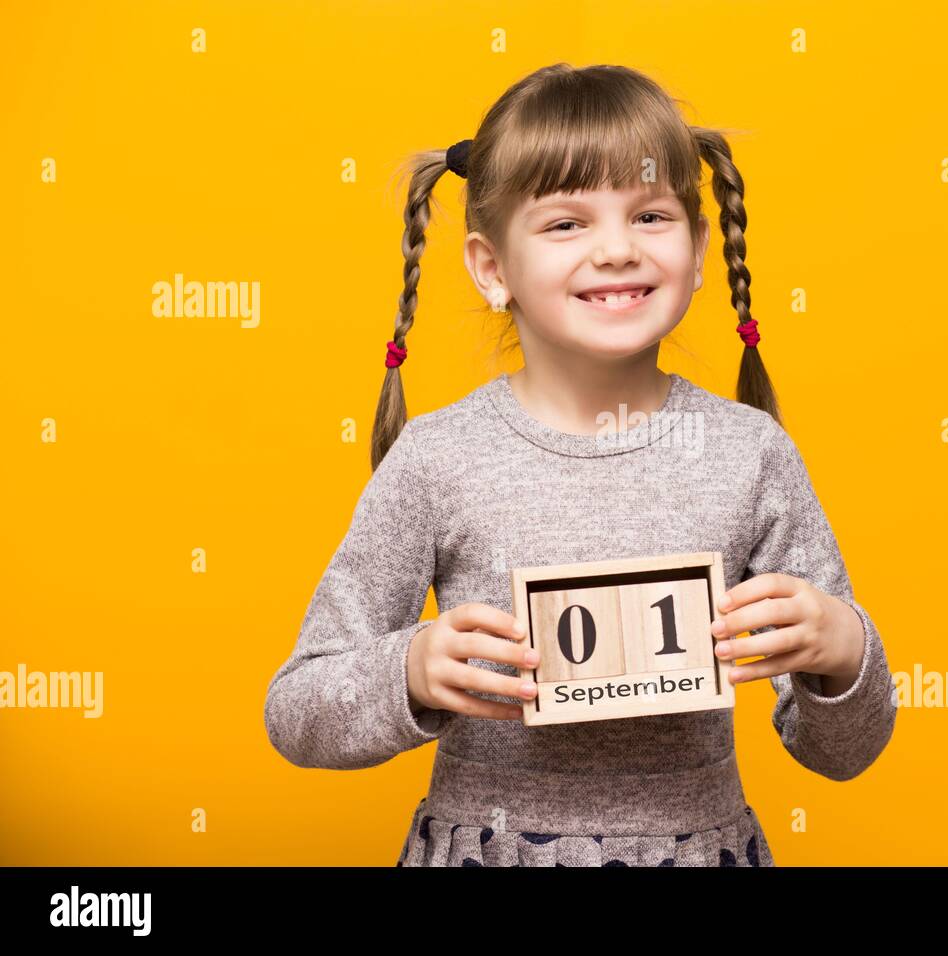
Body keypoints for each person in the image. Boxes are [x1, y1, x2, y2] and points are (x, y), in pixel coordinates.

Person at [263, 62, 896, 866]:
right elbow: (296, 711)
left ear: (700, 250)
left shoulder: (750, 454)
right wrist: (410, 671)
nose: (616, 249)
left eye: (651, 215)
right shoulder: (438, 458)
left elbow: (843, 751)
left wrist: (841, 652)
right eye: (567, 224)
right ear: (493, 270)